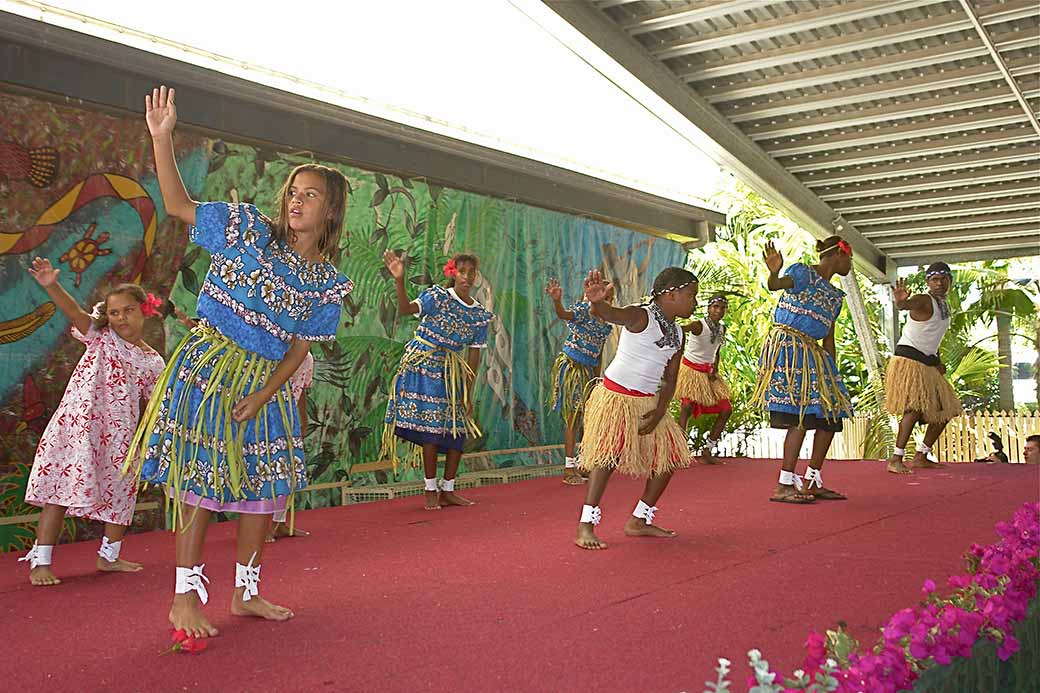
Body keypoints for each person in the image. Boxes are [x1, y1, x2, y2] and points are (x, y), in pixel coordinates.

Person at [124, 86, 352, 638]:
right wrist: (162, 138)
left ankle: (246, 594)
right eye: (293, 190)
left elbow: (299, 345)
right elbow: (178, 206)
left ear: (332, 209)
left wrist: (266, 393)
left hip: (263, 383)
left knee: (263, 489)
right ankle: (184, 597)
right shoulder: (247, 227)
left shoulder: (327, 284)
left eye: (311, 195)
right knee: (202, 482)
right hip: (209, 370)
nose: (296, 200)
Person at [21, 260, 165, 586]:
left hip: (119, 436)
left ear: (144, 311)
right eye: (114, 313)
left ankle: (109, 556)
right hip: (78, 428)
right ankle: (40, 560)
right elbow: (74, 313)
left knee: (120, 492)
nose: (121, 318)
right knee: (58, 490)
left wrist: (151, 440)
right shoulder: (100, 338)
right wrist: (51, 285)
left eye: (128, 310)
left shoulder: (152, 360)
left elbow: (156, 403)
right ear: (107, 317)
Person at [574, 267, 698, 550]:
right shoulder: (640, 314)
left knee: (672, 458)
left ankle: (640, 519)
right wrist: (598, 303)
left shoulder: (678, 332)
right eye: (691, 295)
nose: (694, 302)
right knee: (607, 457)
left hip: (648, 402)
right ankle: (586, 524)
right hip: (617, 397)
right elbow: (612, 314)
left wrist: (661, 410)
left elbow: (671, 377)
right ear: (671, 294)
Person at [382, 251, 493, 510]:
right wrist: (399, 279)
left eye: (471, 273)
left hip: (451, 370)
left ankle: (449, 489)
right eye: (462, 271)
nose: (466, 277)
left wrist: (468, 391)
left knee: (457, 430)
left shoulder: (479, 315)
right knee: (430, 429)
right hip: (422, 366)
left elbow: (474, 355)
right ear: (452, 273)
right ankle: (430, 488)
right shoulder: (437, 297)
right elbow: (405, 309)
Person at [755, 236, 853, 504]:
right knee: (800, 416)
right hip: (789, 348)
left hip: (815, 355)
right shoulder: (802, 274)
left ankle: (812, 480)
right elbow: (775, 285)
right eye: (849, 258)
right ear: (837, 256)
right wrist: (774, 271)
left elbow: (828, 339)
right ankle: (784, 484)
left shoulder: (835, 297)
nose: (850, 264)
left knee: (831, 415)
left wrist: (832, 374)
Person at [884, 263, 963, 474]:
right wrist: (902, 302)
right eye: (934, 279)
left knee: (946, 410)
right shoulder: (924, 300)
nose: (939, 283)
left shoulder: (943, 305)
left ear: (950, 281)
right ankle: (896, 458)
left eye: (943, 279)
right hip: (909, 361)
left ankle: (921, 455)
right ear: (928, 282)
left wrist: (937, 360)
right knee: (914, 408)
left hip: (927, 362)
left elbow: (931, 337)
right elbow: (908, 305)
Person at [545, 277, 613, 484]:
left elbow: (599, 354)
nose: (606, 302)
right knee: (573, 418)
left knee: (587, 419)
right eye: (603, 297)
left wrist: (596, 380)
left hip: (588, 374)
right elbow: (563, 314)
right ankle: (568, 468)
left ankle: (584, 463)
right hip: (572, 369)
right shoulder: (583, 312)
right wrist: (557, 301)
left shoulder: (605, 326)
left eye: (610, 299)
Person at [675, 293, 732, 464]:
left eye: (722, 308)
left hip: (708, 373)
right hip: (691, 371)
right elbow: (681, 330)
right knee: (687, 407)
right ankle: (679, 451)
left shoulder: (721, 328)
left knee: (726, 409)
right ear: (708, 308)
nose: (719, 311)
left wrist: (716, 368)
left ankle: (708, 450)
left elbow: (717, 351)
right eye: (715, 307)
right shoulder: (698, 325)